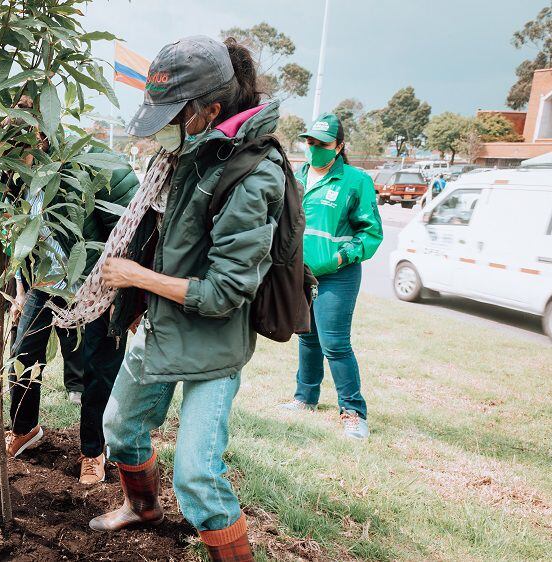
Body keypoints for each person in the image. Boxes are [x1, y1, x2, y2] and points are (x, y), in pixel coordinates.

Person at [64, 36, 284, 560]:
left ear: (210, 109)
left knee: (197, 476)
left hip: (213, 343)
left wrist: (137, 277)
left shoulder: (251, 174)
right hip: (161, 326)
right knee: (119, 428)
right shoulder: (187, 154)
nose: (163, 127)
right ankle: (141, 507)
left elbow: (226, 291)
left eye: (174, 114)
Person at [0, 116, 140, 485]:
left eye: (17, 150)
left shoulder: (93, 165)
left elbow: (131, 229)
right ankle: (25, 429)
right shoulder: (14, 173)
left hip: (97, 285)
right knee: (22, 354)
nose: (12, 161)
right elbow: (20, 231)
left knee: (97, 369)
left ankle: (93, 451)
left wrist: (127, 297)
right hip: (46, 280)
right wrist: (22, 286)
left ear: (40, 136)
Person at [279, 113, 383, 440]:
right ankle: (305, 397)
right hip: (301, 274)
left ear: (338, 147)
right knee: (307, 336)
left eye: (322, 144)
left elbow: (371, 233)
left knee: (335, 343)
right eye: (309, 142)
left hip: (338, 275)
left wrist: (341, 256)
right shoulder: (295, 178)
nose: (314, 148)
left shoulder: (356, 181)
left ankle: (353, 411)